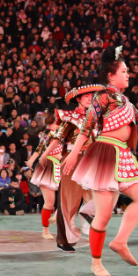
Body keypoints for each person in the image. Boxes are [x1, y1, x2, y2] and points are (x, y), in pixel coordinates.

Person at [68, 45, 138, 276]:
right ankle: (96, 262)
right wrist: (73, 153)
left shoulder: (126, 102)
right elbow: (87, 125)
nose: (128, 75)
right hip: (105, 153)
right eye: (124, 71)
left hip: (123, 155)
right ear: (111, 76)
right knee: (104, 215)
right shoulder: (103, 96)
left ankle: (120, 241)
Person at [45, 84, 104, 252]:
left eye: (92, 96)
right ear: (78, 99)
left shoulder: (97, 119)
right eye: (86, 96)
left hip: (92, 160)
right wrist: (44, 155)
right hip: (72, 159)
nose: (90, 98)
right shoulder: (70, 117)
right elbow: (58, 138)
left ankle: (87, 214)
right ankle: (64, 239)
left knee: (102, 191)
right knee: (68, 199)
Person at [26, 111, 62, 240]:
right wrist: (31, 160)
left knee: (66, 196)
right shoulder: (48, 133)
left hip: (59, 166)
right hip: (48, 166)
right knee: (49, 202)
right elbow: (40, 147)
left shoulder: (61, 133)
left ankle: (57, 217)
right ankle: (45, 230)